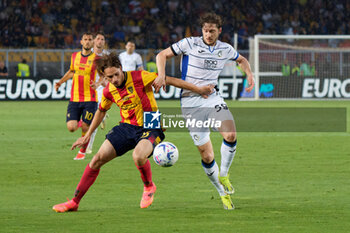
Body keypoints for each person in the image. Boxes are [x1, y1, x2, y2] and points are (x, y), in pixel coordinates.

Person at [52, 53, 214, 212]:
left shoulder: (139, 77)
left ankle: (149, 186)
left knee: (138, 156)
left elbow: (170, 80)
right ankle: (74, 202)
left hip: (151, 123)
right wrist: (87, 136)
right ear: (104, 76)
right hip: (126, 127)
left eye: (116, 74)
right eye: (110, 77)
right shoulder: (109, 91)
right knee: (96, 160)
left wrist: (198, 90)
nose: (114, 79)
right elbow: (101, 110)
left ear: (121, 69)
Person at [154, 12, 254, 210]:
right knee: (207, 156)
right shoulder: (189, 43)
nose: (209, 34)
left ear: (219, 31)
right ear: (202, 30)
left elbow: (241, 60)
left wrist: (249, 74)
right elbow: (161, 55)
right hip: (190, 103)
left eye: (213, 31)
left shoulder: (225, 49)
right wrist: (161, 75)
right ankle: (221, 192)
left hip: (212, 97)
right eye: (206, 31)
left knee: (231, 133)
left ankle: (224, 173)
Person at [55, 32, 98, 160]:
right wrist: (60, 82)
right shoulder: (75, 56)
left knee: (85, 126)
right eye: (85, 39)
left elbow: (104, 74)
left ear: (92, 42)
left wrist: (98, 83)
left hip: (90, 98)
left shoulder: (97, 59)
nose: (87, 41)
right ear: (81, 42)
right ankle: (83, 121)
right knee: (71, 127)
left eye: (90, 39)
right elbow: (71, 71)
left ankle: (82, 151)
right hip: (75, 97)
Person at [86, 32, 110, 154]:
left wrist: (104, 82)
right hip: (88, 88)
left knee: (96, 115)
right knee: (87, 118)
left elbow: (108, 72)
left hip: (101, 88)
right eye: (98, 39)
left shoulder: (106, 57)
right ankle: (103, 116)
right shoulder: (88, 55)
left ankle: (89, 146)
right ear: (94, 41)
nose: (100, 41)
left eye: (102, 39)